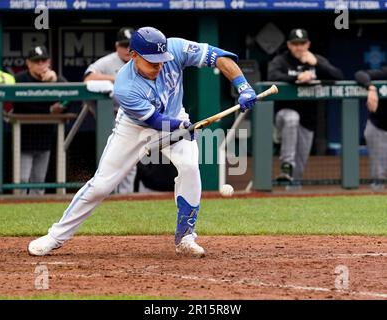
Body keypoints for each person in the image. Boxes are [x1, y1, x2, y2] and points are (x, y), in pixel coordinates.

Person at [27, 26, 258, 257]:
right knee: (102, 185)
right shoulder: (124, 86)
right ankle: (56, 236)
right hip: (135, 127)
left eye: (161, 61)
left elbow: (220, 57)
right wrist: (182, 128)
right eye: (152, 62)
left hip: (176, 116)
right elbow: (155, 121)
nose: (159, 66)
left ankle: (186, 237)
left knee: (189, 167)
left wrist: (243, 86)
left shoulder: (175, 48)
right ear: (134, 55)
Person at [267, 28, 343, 186]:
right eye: (295, 44)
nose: (299, 47)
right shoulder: (281, 60)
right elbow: (272, 76)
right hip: (284, 114)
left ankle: (291, 192)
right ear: (289, 45)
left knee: (299, 171)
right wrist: (296, 77)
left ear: (308, 44)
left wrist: (316, 64)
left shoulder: (316, 60)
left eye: (302, 43)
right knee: (291, 118)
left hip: (308, 119)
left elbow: (338, 76)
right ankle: (286, 164)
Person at [84, 27, 137, 194]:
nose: (127, 49)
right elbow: (88, 78)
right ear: (116, 46)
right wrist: (115, 79)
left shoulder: (143, 60)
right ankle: (107, 196)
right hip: (111, 116)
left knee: (131, 161)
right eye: (123, 45)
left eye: (130, 45)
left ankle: (125, 198)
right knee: (111, 161)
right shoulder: (108, 61)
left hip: (135, 116)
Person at [13, 46, 67, 195]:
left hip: (45, 137)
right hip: (23, 138)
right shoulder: (19, 79)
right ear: (28, 63)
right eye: (37, 61)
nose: (41, 64)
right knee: (22, 181)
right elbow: (21, 105)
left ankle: (34, 215)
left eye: (43, 61)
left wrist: (56, 82)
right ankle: (18, 213)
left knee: (39, 181)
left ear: (48, 62)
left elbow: (71, 97)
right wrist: (49, 110)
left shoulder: (56, 79)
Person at [355, 66, 387, 190]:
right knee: (378, 178)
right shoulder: (385, 73)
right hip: (379, 126)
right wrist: (371, 88)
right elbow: (360, 73)